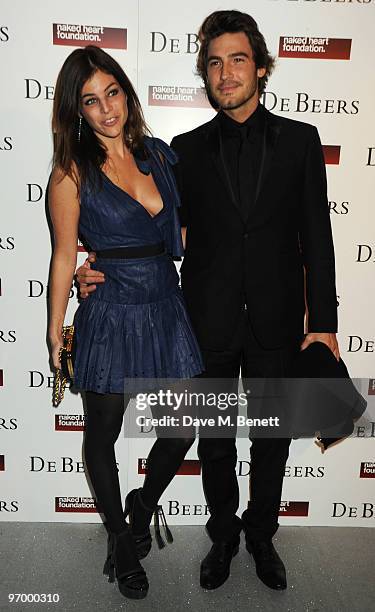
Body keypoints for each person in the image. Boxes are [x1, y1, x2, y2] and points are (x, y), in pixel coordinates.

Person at [77, 10, 339, 593]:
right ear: (206, 73)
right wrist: (90, 266)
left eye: (238, 60)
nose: (226, 73)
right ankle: (222, 536)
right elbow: (154, 230)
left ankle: (262, 535)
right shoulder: (181, 151)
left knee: (273, 437)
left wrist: (323, 324)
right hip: (205, 319)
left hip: (276, 318)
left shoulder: (300, 141)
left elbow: (317, 238)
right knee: (214, 440)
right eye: (215, 62)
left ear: (262, 68)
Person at [48, 45, 203, 600]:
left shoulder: (160, 156)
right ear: (78, 112)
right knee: (103, 431)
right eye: (91, 101)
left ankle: (143, 503)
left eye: (112, 92)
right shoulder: (72, 172)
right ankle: (119, 535)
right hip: (111, 312)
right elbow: (65, 255)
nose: (106, 109)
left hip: (165, 304)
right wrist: (54, 331)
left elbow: (182, 237)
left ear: (127, 93)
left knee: (183, 424)